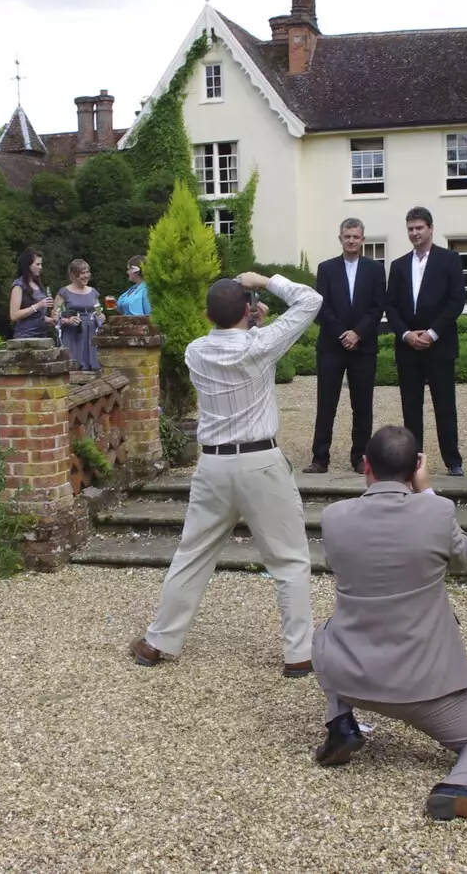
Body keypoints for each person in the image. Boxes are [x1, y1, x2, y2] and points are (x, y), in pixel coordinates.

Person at [311, 425, 467, 826]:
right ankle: (462, 786)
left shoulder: (335, 517)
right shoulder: (437, 510)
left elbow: (336, 565)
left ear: (365, 467)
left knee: (321, 632)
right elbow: (464, 559)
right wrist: (427, 492)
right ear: (415, 469)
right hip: (425, 688)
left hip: (352, 675)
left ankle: (340, 721)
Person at [130, 270, 323, 676]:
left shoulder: (194, 350)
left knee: (192, 554)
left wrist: (251, 322)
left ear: (206, 314)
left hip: (213, 464)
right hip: (261, 463)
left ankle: (158, 641)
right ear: (248, 312)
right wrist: (267, 281)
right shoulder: (260, 344)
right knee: (289, 561)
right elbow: (310, 301)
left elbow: (235, 346)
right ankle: (298, 654)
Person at [384, 207, 467, 476]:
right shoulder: (398, 265)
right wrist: (407, 334)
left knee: (444, 406)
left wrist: (432, 334)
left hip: (439, 345)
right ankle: (413, 461)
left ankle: (453, 461)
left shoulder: (450, 260)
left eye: (419, 228)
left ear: (431, 228)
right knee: (411, 407)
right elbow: (391, 306)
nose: (414, 233)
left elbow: (456, 301)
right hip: (408, 347)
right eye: (410, 228)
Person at [306, 218, 386, 475]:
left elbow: (377, 308)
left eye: (356, 236)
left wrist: (358, 333)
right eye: (347, 236)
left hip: (363, 348)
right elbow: (321, 307)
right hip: (332, 345)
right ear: (340, 238)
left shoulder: (375, 270)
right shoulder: (326, 269)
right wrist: (343, 333)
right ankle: (320, 458)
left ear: (363, 239)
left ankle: (360, 456)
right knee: (326, 403)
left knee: (362, 405)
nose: (351, 240)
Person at [56, 259, 106, 371]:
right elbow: (55, 316)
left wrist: (101, 316)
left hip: (90, 334)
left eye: (87, 272)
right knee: (72, 367)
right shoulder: (64, 293)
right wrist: (67, 320)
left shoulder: (93, 292)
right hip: (72, 334)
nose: (86, 276)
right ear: (73, 275)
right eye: (82, 273)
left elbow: (98, 312)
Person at [8, 247, 54, 339]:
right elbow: (14, 315)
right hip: (25, 336)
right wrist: (38, 305)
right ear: (28, 265)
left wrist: (49, 320)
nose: (40, 267)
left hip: (42, 335)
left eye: (41, 264)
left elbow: (34, 316)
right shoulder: (18, 286)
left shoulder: (38, 285)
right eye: (37, 264)